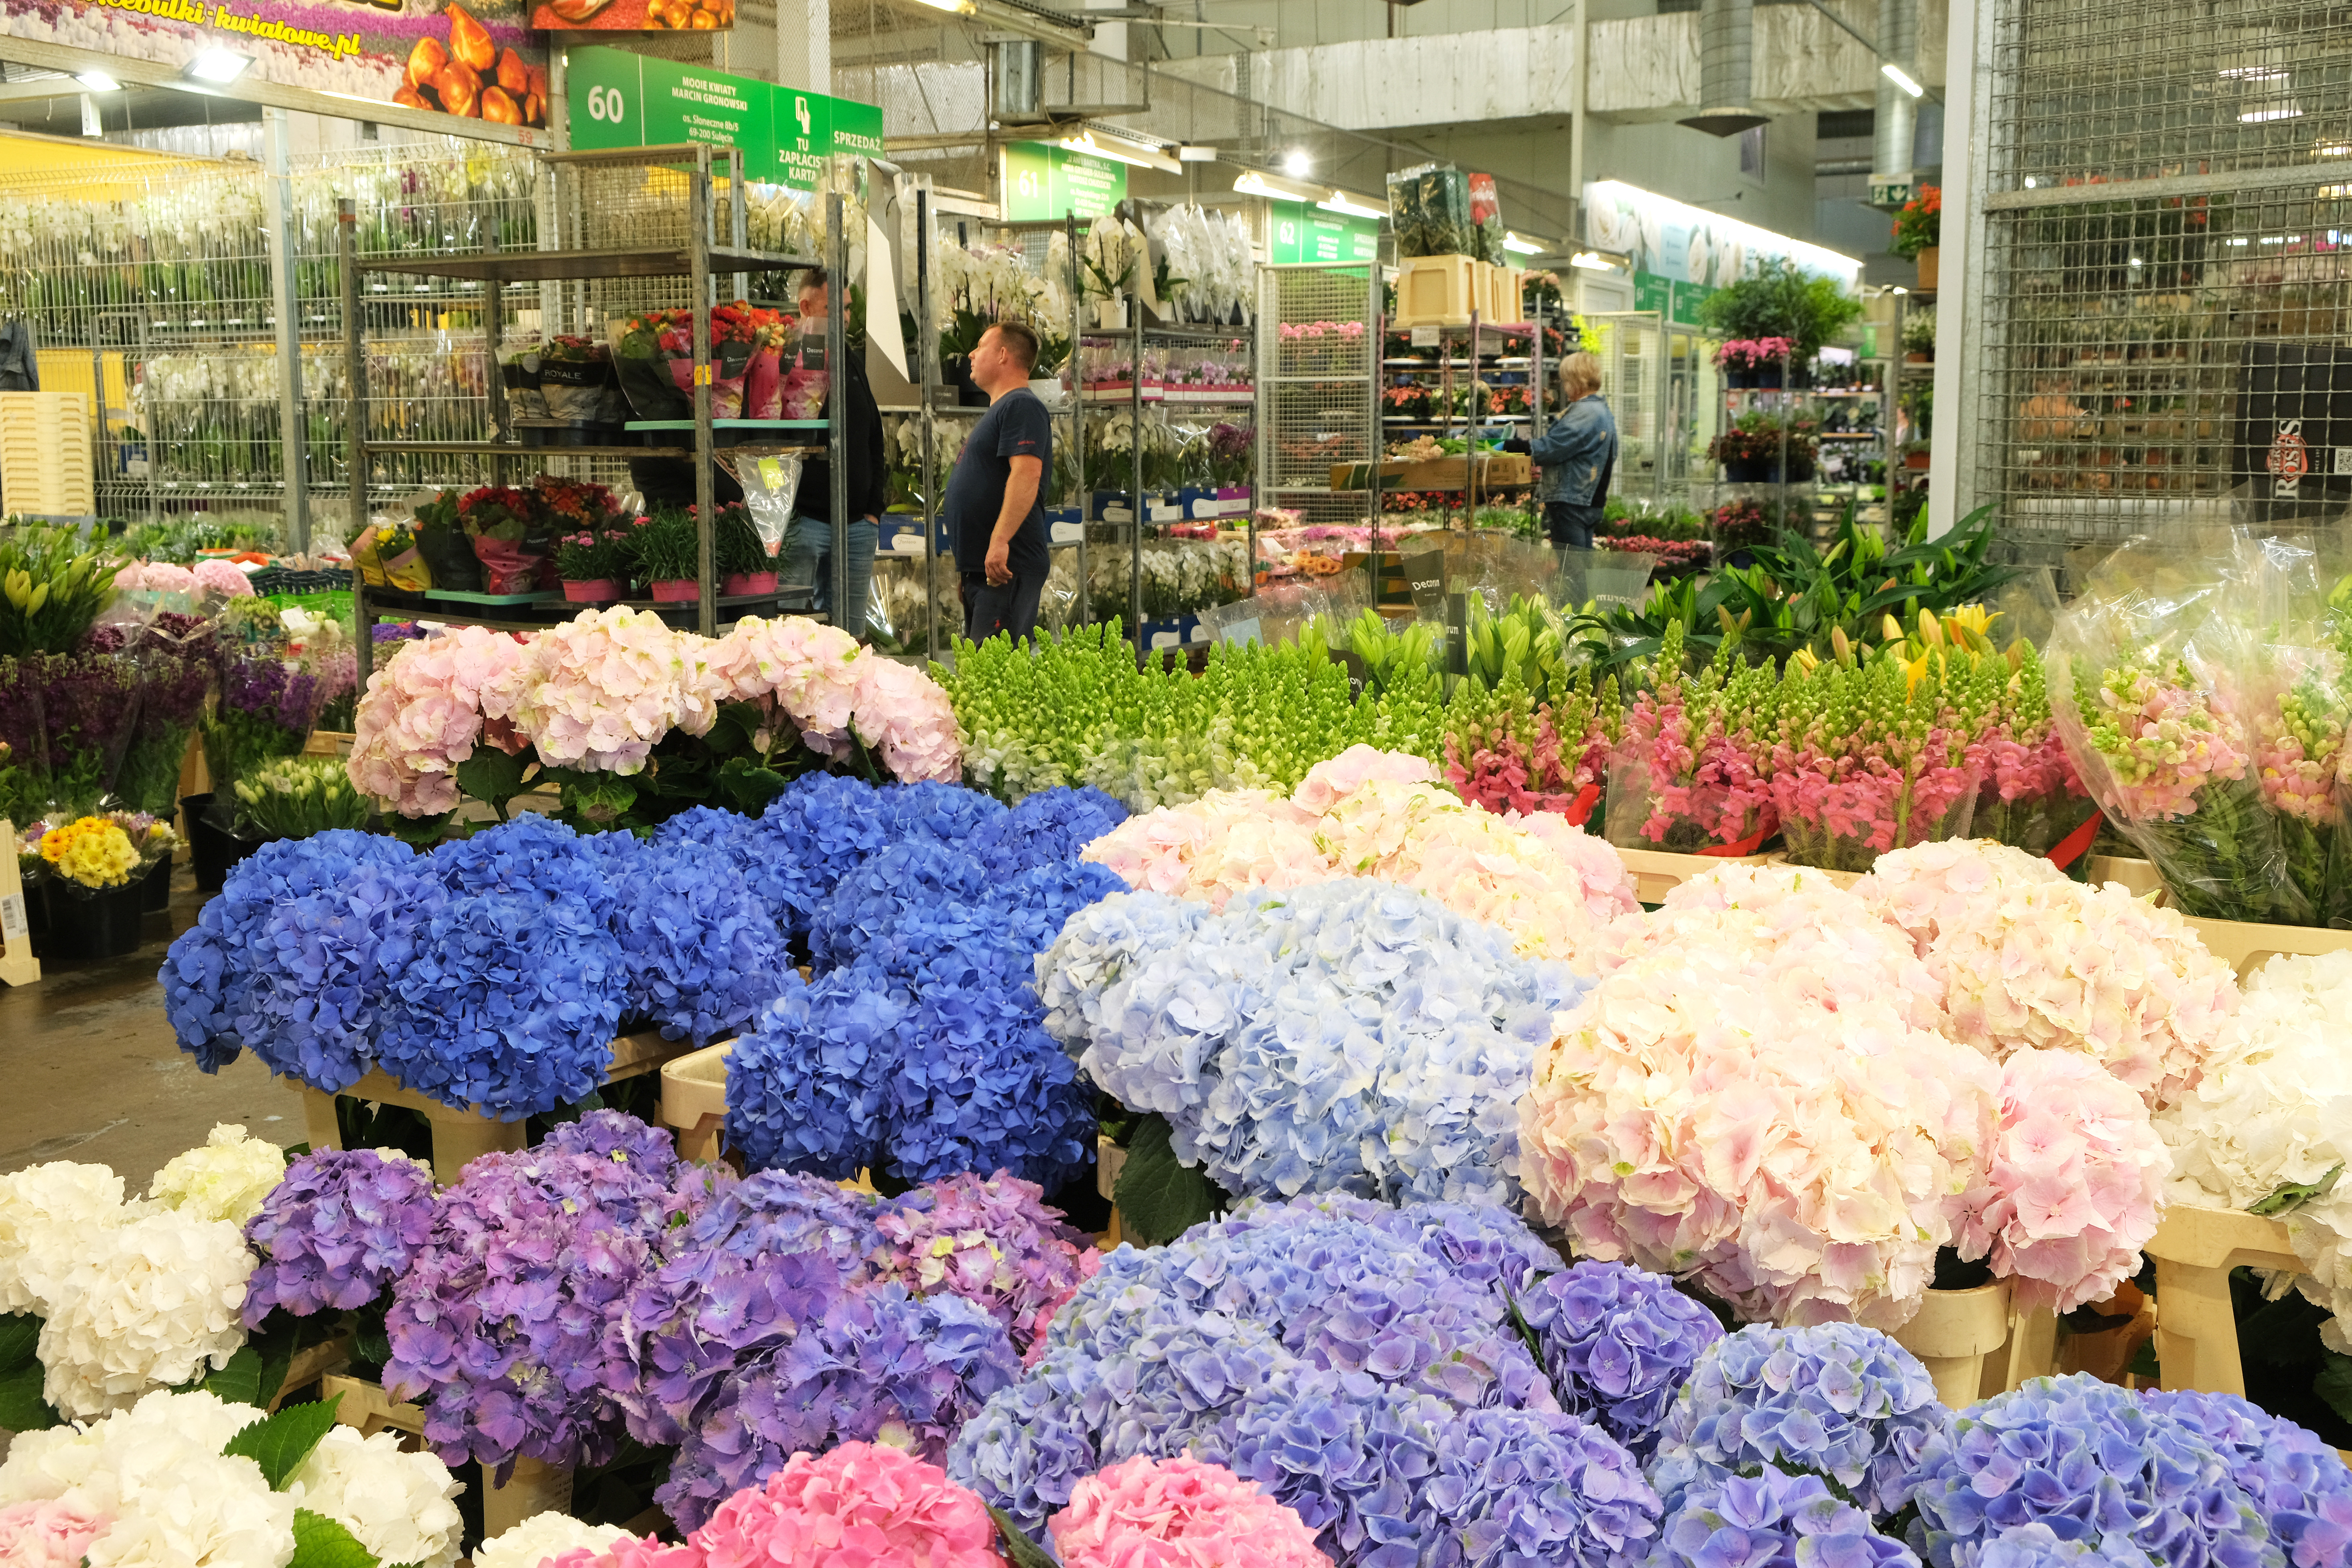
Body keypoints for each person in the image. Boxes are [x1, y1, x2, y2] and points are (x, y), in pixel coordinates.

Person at [779, 266, 886, 637]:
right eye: (834, 308)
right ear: (806, 307)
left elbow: (874, 434)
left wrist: (874, 508)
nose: (844, 318)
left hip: (857, 524)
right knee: (789, 631)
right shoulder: (785, 357)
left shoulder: (851, 359)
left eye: (848, 309)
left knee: (850, 636)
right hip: (804, 522)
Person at [944, 319, 1053, 643]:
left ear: (1003, 354)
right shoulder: (1002, 409)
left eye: (981, 346)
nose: (971, 354)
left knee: (994, 678)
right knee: (981, 674)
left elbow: (1026, 474)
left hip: (1007, 566)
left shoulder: (1021, 404)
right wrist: (970, 566)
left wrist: (1000, 542)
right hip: (987, 570)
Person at [1531, 351, 1617, 550]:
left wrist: (1518, 447)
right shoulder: (1600, 409)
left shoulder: (1585, 412)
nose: (1564, 386)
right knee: (1580, 566)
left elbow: (1553, 448)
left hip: (1572, 503)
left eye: (1565, 381)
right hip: (1587, 501)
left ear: (1576, 381)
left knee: (1571, 572)